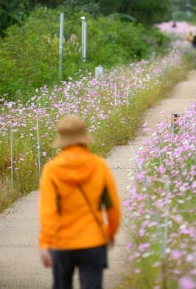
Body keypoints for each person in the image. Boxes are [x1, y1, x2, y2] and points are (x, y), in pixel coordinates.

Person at [39, 115, 121, 289]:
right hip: (93, 242)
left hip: (61, 242)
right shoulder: (99, 166)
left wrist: (45, 242)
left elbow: (48, 210)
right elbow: (112, 205)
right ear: (84, 138)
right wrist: (111, 232)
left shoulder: (51, 170)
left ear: (61, 140)